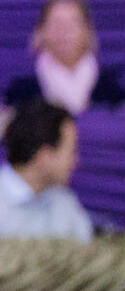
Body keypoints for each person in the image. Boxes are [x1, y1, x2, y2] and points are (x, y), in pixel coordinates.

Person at [5, 0, 125, 115]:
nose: (63, 31)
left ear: (87, 31)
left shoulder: (111, 87)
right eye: (55, 23)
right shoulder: (22, 90)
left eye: (72, 24)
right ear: (41, 31)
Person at [0, 101, 90, 242]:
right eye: (71, 152)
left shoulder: (64, 201)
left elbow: (88, 250)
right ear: (44, 157)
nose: (76, 161)